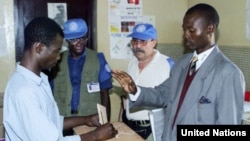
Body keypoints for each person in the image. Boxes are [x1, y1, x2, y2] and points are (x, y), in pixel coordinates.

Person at [112, 3, 245, 141]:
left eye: (191, 30)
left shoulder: (228, 73)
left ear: (210, 29)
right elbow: (163, 93)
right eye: (184, 30)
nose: (185, 35)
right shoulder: (183, 62)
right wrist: (135, 91)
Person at [3, 17, 117, 141]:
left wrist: (86, 119)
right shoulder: (24, 91)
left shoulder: (38, 81)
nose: (58, 58)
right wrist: (95, 135)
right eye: (56, 51)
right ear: (39, 48)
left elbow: (52, 121)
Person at [119, 23, 174, 140]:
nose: (137, 46)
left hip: (153, 130)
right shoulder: (132, 62)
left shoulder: (167, 64)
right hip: (130, 126)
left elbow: (172, 101)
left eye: (143, 42)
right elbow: (127, 97)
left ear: (154, 42)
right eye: (134, 41)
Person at [51, 18, 112, 121]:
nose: (79, 43)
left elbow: (104, 94)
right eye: (74, 40)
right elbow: (50, 94)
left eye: (82, 38)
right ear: (67, 41)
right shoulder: (55, 60)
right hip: (63, 120)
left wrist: (104, 121)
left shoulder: (98, 59)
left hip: (91, 120)